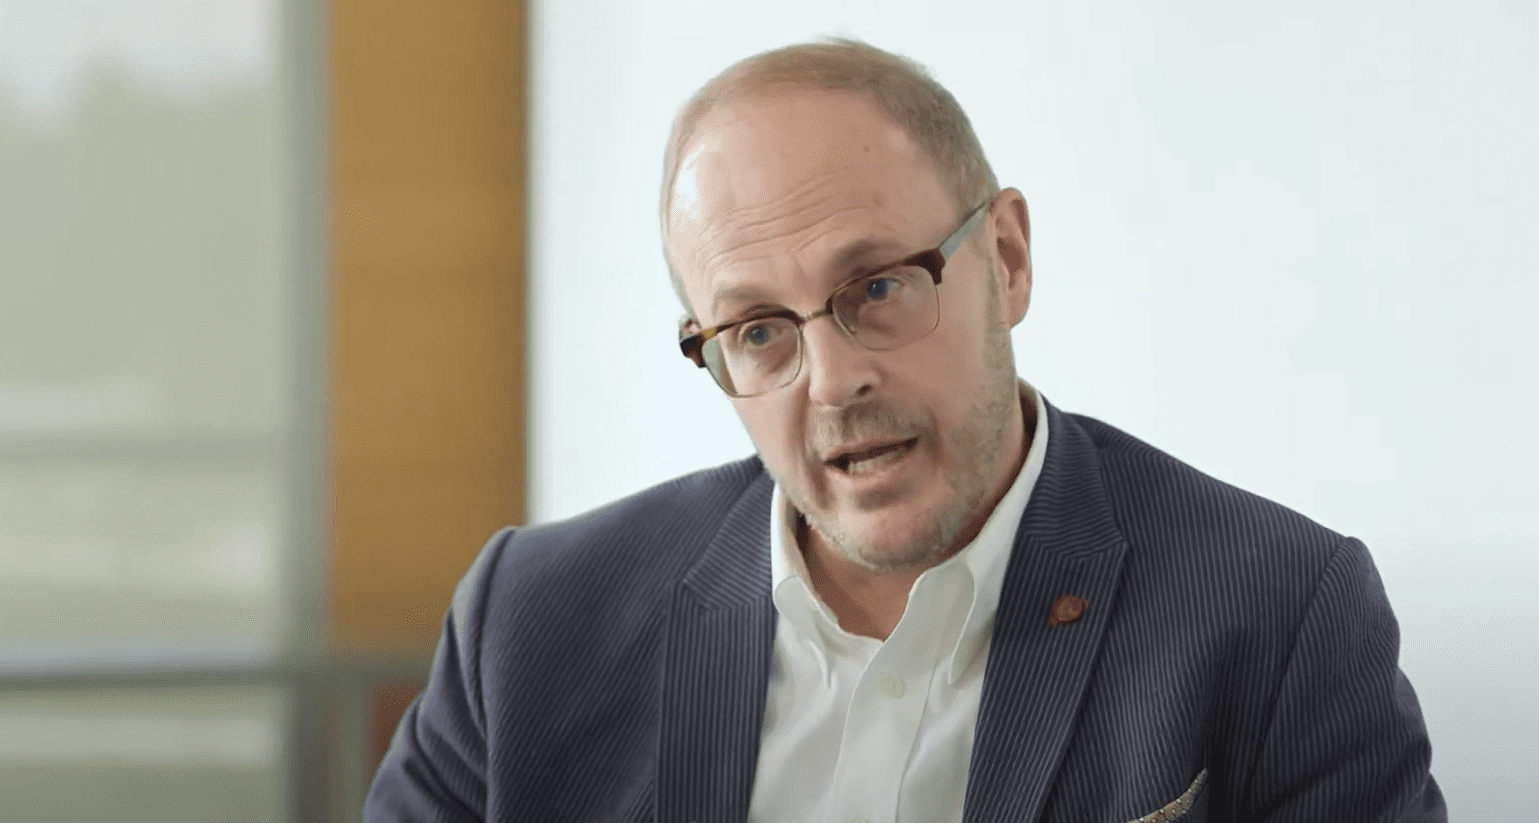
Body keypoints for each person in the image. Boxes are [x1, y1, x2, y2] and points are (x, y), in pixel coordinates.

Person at [365, 38, 1444, 822]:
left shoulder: (1278, 614)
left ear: (1005, 259)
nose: (835, 381)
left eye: (878, 286)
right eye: (757, 331)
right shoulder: (529, 623)